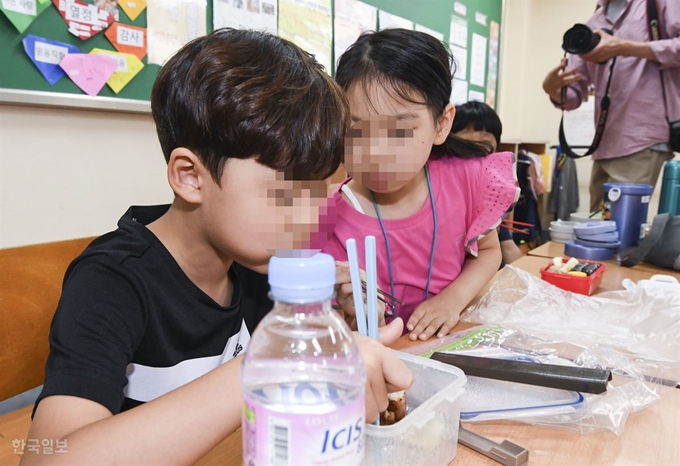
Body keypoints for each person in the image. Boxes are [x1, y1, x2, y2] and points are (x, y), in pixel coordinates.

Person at [23, 29, 413, 465]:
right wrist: (274, 362)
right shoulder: (112, 280)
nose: (311, 220)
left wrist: (334, 327)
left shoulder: (257, 264)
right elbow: (48, 457)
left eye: (323, 193)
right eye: (286, 193)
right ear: (190, 176)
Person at [324, 29, 518, 342]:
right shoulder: (325, 221)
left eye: (400, 129)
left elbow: (488, 251)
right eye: (356, 128)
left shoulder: (467, 177)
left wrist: (451, 300)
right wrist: (355, 319)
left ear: (441, 124)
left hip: (456, 343)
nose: (376, 149)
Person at [542, 0, 680, 213]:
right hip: (603, 144)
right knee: (598, 231)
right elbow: (572, 96)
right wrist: (552, 88)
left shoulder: (659, 5)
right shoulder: (593, 22)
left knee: (621, 232)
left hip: (642, 137)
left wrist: (626, 47)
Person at [451, 101, 524, 265]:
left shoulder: (491, 196)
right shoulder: (441, 189)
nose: (474, 154)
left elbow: (508, 247)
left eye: (482, 145)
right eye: (466, 145)